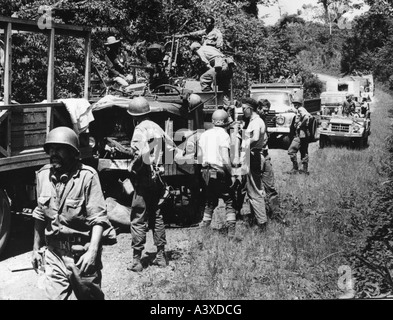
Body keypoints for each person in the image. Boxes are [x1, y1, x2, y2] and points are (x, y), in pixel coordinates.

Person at [31, 126, 116, 300]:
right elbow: (40, 215)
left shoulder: (87, 176)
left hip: (81, 254)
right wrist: (36, 248)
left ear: (72, 152)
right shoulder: (42, 175)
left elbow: (98, 219)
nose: (54, 153)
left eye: (59, 149)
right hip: (54, 254)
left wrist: (92, 252)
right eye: (51, 149)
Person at [126, 97, 171, 272]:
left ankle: (137, 260)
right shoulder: (156, 127)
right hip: (158, 179)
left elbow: (142, 154)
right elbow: (171, 147)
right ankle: (160, 256)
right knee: (157, 215)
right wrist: (158, 165)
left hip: (144, 180)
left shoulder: (139, 130)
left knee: (138, 217)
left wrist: (133, 167)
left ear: (133, 116)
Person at [198, 109, 238, 239]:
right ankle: (231, 234)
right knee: (229, 200)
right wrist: (232, 174)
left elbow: (200, 156)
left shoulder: (204, 134)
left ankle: (204, 232)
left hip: (206, 171)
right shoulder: (224, 135)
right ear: (226, 122)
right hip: (219, 171)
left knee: (209, 201)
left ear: (213, 121)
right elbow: (225, 159)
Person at [257, 99, 289, 227]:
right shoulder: (251, 121)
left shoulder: (263, 120)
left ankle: (276, 213)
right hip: (253, 157)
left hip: (265, 156)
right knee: (246, 189)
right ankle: (244, 215)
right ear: (258, 108)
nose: (265, 112)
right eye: (263, 110)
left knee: (270, 187)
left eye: (267, 110)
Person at [240, 97, 268, 232]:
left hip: (253, 155)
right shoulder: (253, 121)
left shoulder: (256, 121)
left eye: (243, 109)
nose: (242, 111)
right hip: (252, 155)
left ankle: (262, 223)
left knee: (255, 190)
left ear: (249, 108)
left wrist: (245, 144)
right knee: (252, 189)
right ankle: (256, 219)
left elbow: (256, 137)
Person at [287, 96, 311, 175]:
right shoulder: (302, 109)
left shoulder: (301, 109)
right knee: (303, 152)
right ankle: (304, 170)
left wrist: (300, 124)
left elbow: (306, 117)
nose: (295, 105)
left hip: (300, 135)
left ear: (300, 104)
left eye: (296, 103)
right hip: (304, 135)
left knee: (291, 151)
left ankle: (295, 168)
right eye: (294, 103)